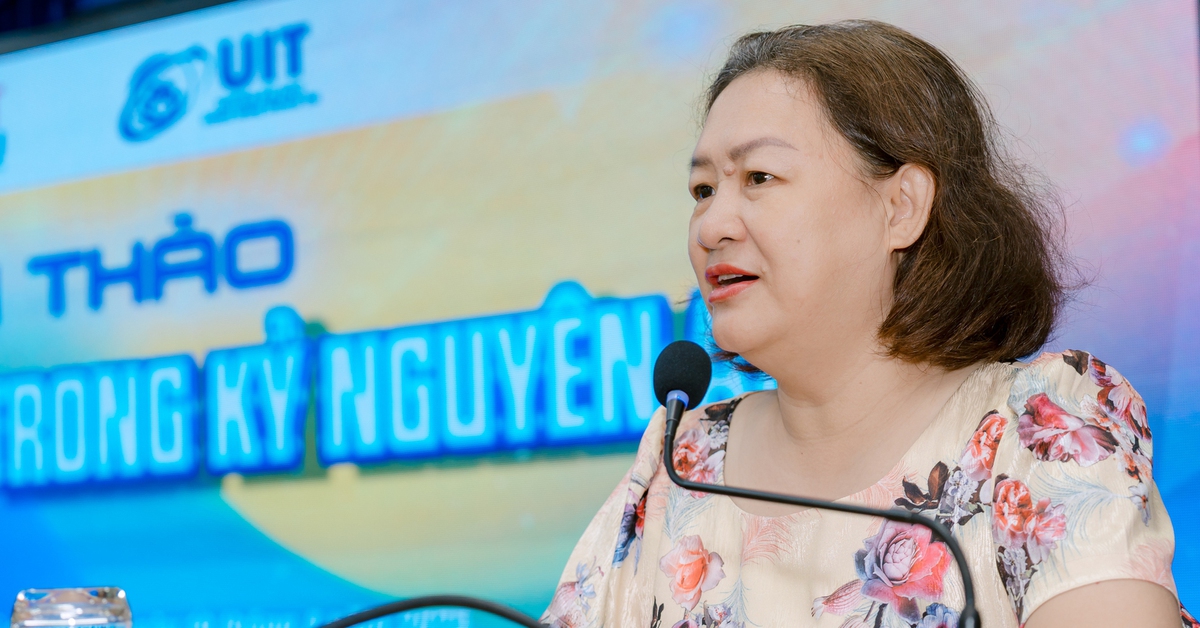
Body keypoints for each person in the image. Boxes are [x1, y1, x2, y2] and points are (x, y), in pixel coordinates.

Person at [542, 20, 1194, 628]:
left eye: (759, 177)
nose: (711, 226)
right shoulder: (682, 459)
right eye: (704, 190)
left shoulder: (1037, 427)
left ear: (900, 207)